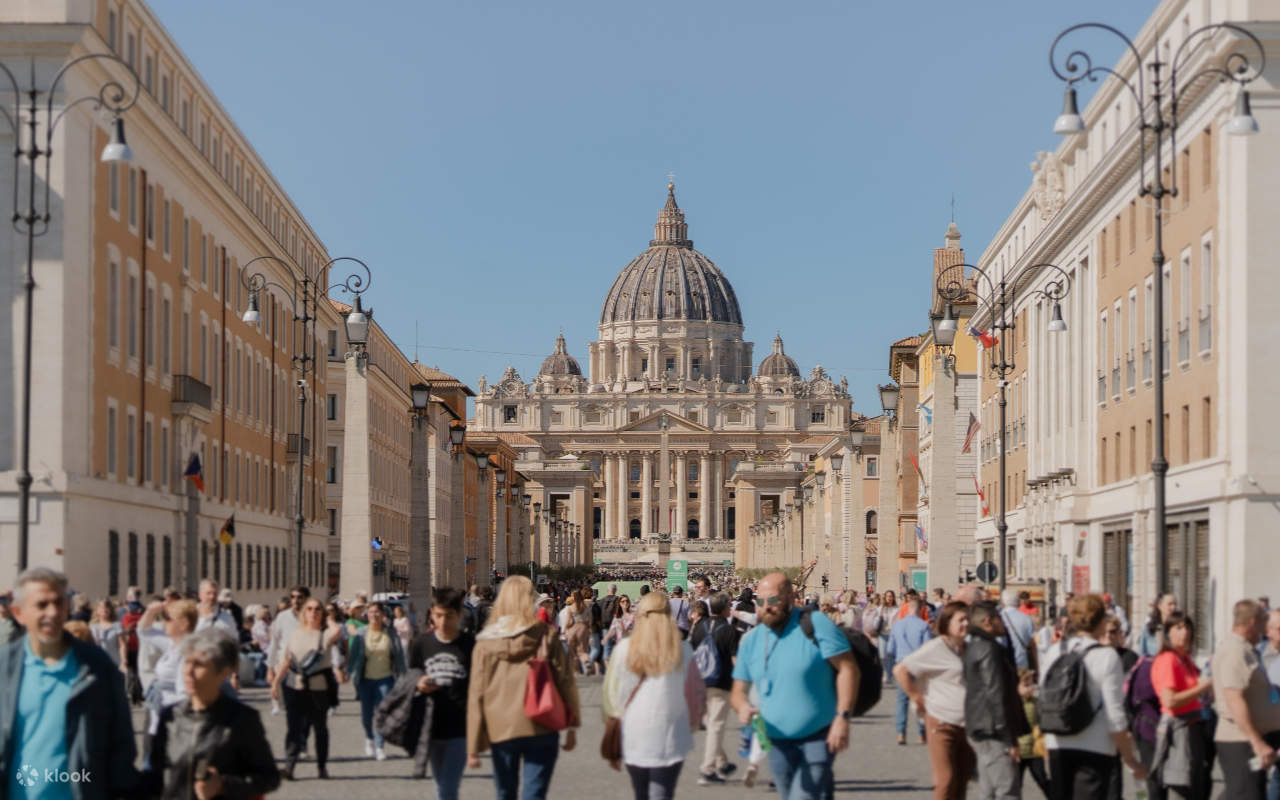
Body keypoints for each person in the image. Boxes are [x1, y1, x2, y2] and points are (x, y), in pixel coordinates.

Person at [0, 567, 139, 799]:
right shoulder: (5, 668)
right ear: (19, 613)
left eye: (59, 603)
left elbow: (122, 744)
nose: (52, 612)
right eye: (42, 605)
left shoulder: (96, 667)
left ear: (68, 608)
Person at [730, 572, 857, 800]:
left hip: (818, 735)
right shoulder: (751, 640)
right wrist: (742, 707)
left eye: (773, 600)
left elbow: (848, 669)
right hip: (776, 739)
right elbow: (738, 690)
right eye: (760, 601)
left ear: (790, 597)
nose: (766, 607)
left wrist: (843, 716)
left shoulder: (816, 624)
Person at [467, 575, 580, 800]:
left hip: (501, 725)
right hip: (542, 721)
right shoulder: (546, 633)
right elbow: (564, 680)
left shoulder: (486, 641)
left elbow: (477, 692)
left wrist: (473, 744)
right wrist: (572, 725)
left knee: (505, 792)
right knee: (534, 793)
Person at [142, 628, 279, 799]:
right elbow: (153, 778)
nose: (188, 671)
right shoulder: (170, 717)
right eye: (186, 662)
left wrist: (223, 785)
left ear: (224, 672)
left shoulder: (241, 720)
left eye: (198, 664)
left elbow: (269, 778)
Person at [1041, 594, 1147, 800]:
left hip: (1057, 740)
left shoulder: (1055, 651)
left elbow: (1044, 694)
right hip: (1094, 745)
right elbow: (1115, 717)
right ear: (1101, 621)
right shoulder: (1107, 656)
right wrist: (1130, 759)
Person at [603, 591, 706, 800]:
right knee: (662, 794)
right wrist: (693, 726)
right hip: (672, 734)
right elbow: (696, 696)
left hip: (633, 733)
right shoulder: (684, 650)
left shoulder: (624, 649)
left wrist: (611, 725)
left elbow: (611, 696)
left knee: (641, 794)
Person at [894, 602, 975, 800]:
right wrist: (916, 696)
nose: (965, 624)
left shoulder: (968, 648)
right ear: (947, 623)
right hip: (941, 721)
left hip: (968, 724)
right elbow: (900, 670)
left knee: (962, 780)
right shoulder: (936, 647)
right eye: (960, 619)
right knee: (945, 781)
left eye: (967, 619)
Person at [270, 595, 345, 780]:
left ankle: (321, 766)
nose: (313, 612)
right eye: (309, 609)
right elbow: (286, 660)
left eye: (317, 609)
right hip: (294, 686)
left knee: (320, 728)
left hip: (318, 688)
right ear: (304, 613)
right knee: (293, 728)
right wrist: (276, 681)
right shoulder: (295, 634)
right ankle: (289, 766)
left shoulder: (324, 634)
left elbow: (337, 631)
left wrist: (328, 618)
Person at [409, 587, 475, 794]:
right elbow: (411, 673)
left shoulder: (470, 645)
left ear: (459, 614)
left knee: (448, 787)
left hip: (460, 727)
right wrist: (418, 682)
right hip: (430, 724)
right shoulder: (421, 643)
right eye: (438, 615)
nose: (443, 622)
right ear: (432, 614)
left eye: (449, 616)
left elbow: (480, 685)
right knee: (440, 784)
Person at [1212, 599, 1280, 800]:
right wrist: (1257, 742)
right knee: (1244, 794)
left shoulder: (1247, 650)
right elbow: (1234, 698)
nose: (1264, 628)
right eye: (1263, 622)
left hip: (1253, 738)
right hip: (1240, 741)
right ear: (1252, 622)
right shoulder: (1235, 651)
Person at [964, 602, 1030, 800]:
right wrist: (1008, 736)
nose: (1004, 623)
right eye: (999, 619)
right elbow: (996, 694)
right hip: (994, 729)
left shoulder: (974, 646)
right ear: (987, 622)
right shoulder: (989, 649)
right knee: (1007, 790)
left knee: (989, 790)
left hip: (981, 726)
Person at [1149, 611, 1213, 800]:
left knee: (1196, 787)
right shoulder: (1168, 659)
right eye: (1178, 627)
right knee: (1182, 786)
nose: (1184, 632)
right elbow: (1170, 700)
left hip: (1194, 726)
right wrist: (1203, 687)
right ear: (1168, 632)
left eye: (1187, 627)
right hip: (1179, 729)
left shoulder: (1185, 660)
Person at [690, 591, 741, 785]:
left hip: (700, 682)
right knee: (716, 726)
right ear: (726, 608)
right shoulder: (730, 631)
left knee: (712, 724)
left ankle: (723, 763)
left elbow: (693, 653)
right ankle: (707, 770)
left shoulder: (699, 627)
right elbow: (735, 660)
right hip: (721, 683)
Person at [348, 601, 408, 761]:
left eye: (377, 612)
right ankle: (369, 738)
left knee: (383, 714)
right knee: (367, 715)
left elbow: (400, 656)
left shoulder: (391, 633)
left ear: (383, 615)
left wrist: (404, 676)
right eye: (371, 612)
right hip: (365, 679)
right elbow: (353, 657)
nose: (374, 615)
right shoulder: (360, 633)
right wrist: (348, 672)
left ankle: (380, 746)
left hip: (386, 678)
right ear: (367, 615)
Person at [138, 597, 199, 737]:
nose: (164, 622)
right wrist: (151, 611)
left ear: (183, 624)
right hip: (160, 713)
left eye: (168, 618)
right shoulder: (173, 643)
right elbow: (144, 631)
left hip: (173, 722)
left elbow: (184, 694)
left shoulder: (187, 651)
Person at [885, 592, 931, 745]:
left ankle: (901, 733)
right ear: (920, 610)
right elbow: (928, 648)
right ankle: (921, 733)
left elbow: (890, 649)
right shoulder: (924, 626)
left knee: (902, 700)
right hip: (918, 666)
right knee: (919, 698)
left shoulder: (897, 625)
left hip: (901, 665)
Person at [266, 586, 309, 751]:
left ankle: (302, 738)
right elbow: (274, 644)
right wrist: (270, 668)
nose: (296, 600)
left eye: (300, 597)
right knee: (292, 711)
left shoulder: (312, 616)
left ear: (306, 598)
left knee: (306, 711)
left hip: (307, 669)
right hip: (285, 668)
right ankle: (294, 744)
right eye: (293, 597)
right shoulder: (282, 618)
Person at [1016, 668, 1052, 799]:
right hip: (1019, 750)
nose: (1030, 688)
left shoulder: (1036, 703)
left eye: (1031, 684)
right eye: (1026, 685)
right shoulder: (1013, 704)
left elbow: (1042, 724)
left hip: (1034, 750)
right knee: (1015, 785)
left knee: (1042, 779)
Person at [1000, 588, 1037, 672]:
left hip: (1003, 665)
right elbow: (1032, 644)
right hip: (1022, 664)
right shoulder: (1026, 618)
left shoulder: (998, 618)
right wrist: (1037, 667)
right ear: (1018, 601)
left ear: (1002, 602)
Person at [89, 598, 124, 669]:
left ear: (110, 610)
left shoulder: (117, 626)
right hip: (97, 663)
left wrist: (124, 661)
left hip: (114, 662)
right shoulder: (92, 627)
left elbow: (122, 645)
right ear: (97, 610)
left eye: (107, 607)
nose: (104, 610)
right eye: (101, 607)